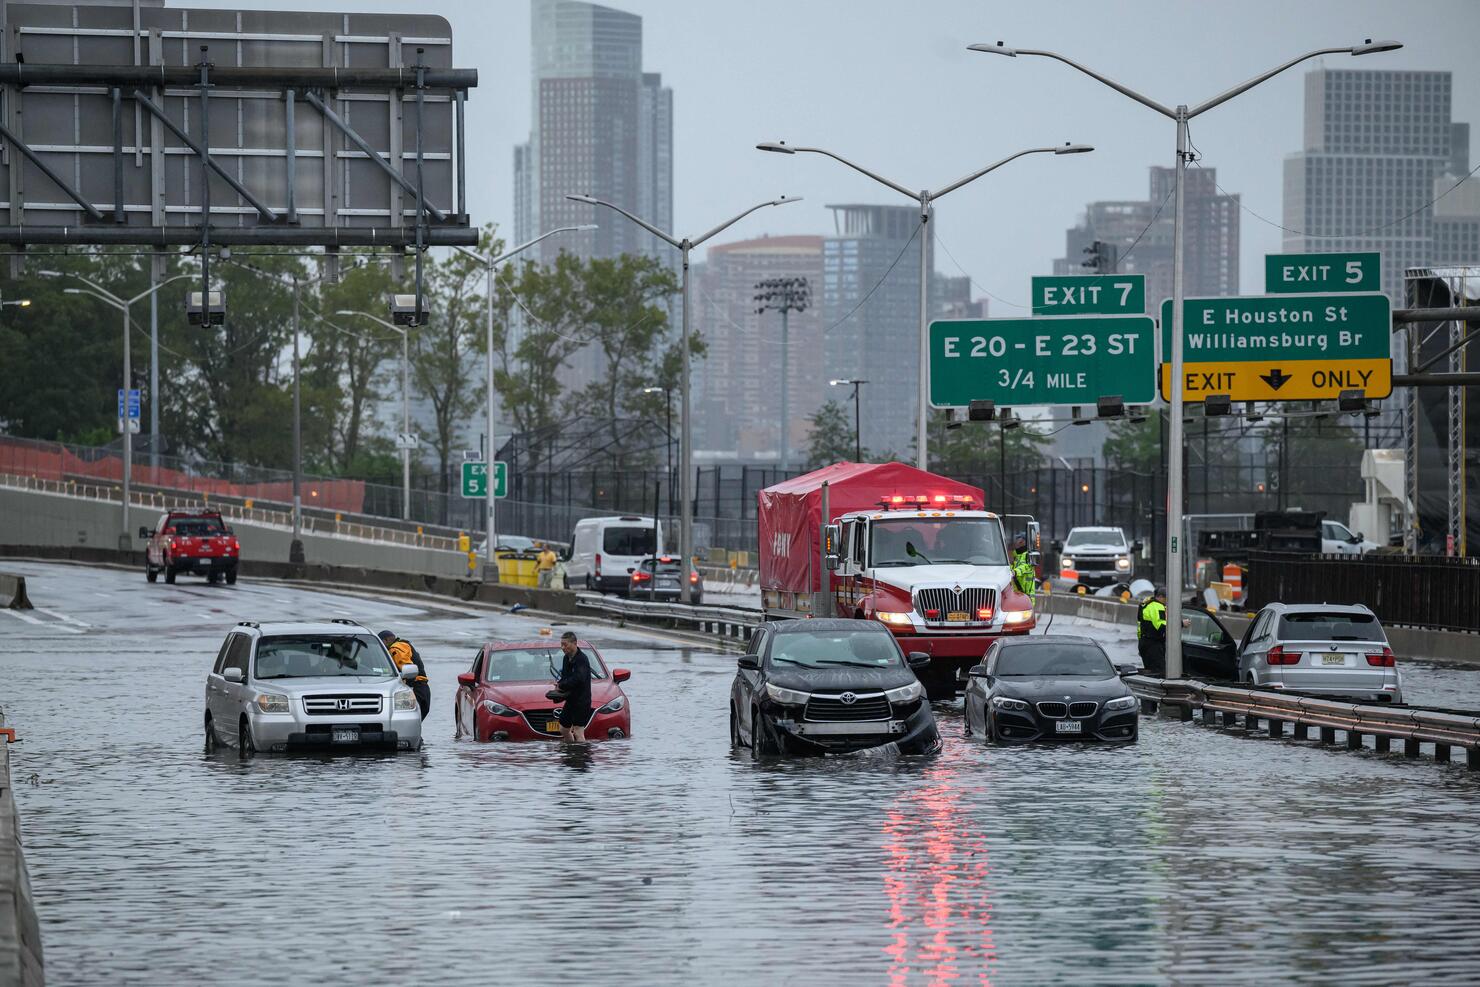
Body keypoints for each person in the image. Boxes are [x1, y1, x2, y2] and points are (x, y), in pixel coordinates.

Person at [379, 629, 431, 719]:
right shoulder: (404, 645)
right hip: (423, 688)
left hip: (415, 689)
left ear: (385, 640)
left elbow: (407, 667)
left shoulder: (395, 648)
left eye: (381, 644)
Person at [555, 631, 593, 743]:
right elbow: (565, 677)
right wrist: (559, 685)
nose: (562, 647)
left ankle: (581, 757)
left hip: (582, 701)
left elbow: (578, 678)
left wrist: (562, 684)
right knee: (563, 729)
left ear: (574, 643)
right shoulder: (566, 658)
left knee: (578, 731)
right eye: (561, 644)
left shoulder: (582, 659)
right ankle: (570, 751)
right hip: (570, 700)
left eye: (565, 644)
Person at [1137, 587, 1168, 677]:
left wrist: (1141, 644)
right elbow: (1162, 627)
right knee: (1159, 673)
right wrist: (1181, 624)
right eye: (1167, 598)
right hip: (1153, 645)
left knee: (1150, 672)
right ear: (1161, 597)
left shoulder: (1146, 605)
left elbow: (1140, 627)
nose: (1167, 601)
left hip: (1144, 643)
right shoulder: (1158, 607)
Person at [1011, 536, 1037, 600]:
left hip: (1026, 596)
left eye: (1020, 542)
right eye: (1017, 542)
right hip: (1017, 595)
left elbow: (1026, 566)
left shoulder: (1028, 555)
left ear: (1025, 543)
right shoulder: (1016, 556)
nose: (1017, 544)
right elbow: (1013, 567)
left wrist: (1015, 572)